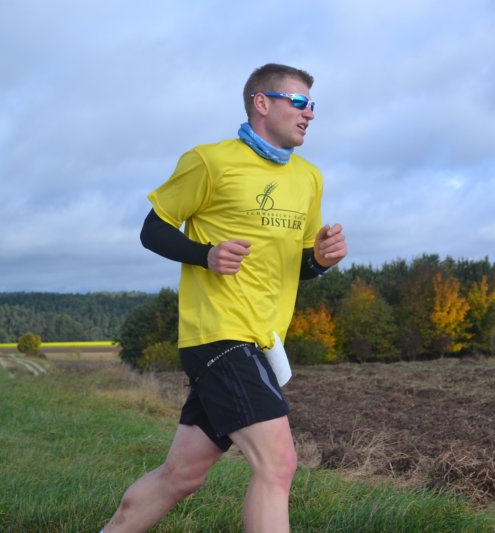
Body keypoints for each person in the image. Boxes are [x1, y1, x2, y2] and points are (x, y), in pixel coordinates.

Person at [102, 63, 347, 533]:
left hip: (264, 341)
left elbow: (295, 264)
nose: (310, 114)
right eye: (299, 102)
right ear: (262, 103)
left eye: (313, 104)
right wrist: (206, 254)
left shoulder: (310, 178)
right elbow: (153, 229)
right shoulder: (209, 161)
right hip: (217, 333)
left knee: (181, 476)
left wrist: (319, 259)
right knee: (278, 464)